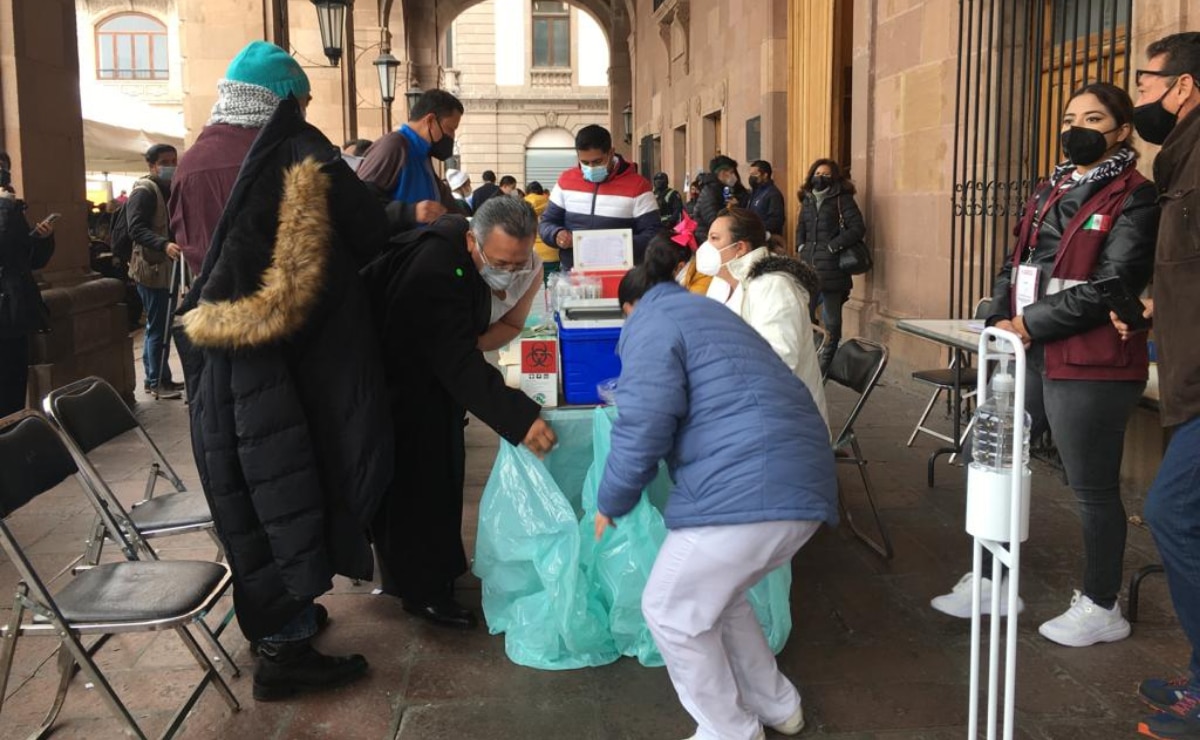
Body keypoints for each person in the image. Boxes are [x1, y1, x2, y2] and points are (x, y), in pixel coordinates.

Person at [178, 43, 392, 700]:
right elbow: (364, 231)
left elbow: (194, 257)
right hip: (295, 352)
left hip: (220, 352)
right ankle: (284, 649)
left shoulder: (193, 161)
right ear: (286, 100)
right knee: (298, 485)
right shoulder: (295, 151)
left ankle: (287, 617)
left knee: (253, 495)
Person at [929, 83, 1160, 649]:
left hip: (1092, 360)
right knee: (999, 467)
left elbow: (1115, 282)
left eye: (1094, 118)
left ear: (1122, 130)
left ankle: (1101, 604)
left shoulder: (1137, 195)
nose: (1077, 127)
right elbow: (1021, 260)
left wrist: (1029, 323)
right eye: (1069, 116)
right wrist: (995, 310)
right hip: (1025, 351)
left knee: (1091, 487)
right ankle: (992, 581)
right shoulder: (1050, 187)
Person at [595, 239, 837, 740]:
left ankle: (730, 730)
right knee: (719, 597)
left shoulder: (651, 324)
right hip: (800, 478)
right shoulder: (706, 312)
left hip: (751, 486)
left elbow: (644, 422)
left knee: (670, 609)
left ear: (629, 308)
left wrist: (610, 500)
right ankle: (778, 705)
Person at [361, 197, 557, 630]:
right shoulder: (434, 267)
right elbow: (456, 359)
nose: (508, 271)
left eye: (518, 262)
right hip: (400, 386)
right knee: (416, 487)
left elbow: (463, 347)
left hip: (430, 382)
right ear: (473, 240)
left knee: (443, 478)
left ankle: (438, 574)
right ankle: (420, 591)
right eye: (501, 262)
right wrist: (520, 418)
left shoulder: (460, 254)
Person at [1109, 32, 1200, 740]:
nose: (1137, 97)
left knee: (1172, 514)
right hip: (1189, 374)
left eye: (1143, 83)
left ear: (1183, 87)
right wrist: (1155, 318)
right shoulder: (1183, 160)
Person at [694, 206, 829, 429]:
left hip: (780, 420)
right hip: (736, 403)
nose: (706, 246)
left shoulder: (773, 286)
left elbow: (779, 360)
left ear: (739, 248)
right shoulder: (721, 282)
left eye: (715, 239)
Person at [170, 41, 296, 278]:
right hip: (286, 304)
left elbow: (190, 241)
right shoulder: (290, 152)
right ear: (285, 101)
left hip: (215, 306)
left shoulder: (190, 162)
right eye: (304, 100)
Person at [540, 124, 659, 269]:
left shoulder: (638, 186)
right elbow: (546, 223)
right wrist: (556, 234)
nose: (590, 168)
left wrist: (617, 245)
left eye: (597, 162)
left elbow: (654, 233)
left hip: (620, 274)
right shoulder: (566, 181)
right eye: (584, 162)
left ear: (611, 153)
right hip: (573, 273)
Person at [357, 89, 463, 234]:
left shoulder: (423, 156)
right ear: (430, 121)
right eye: (450, 129)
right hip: (395, 253)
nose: (451, 136)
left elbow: (447, 203)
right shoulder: (394, 146)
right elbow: (359, 205)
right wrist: (411, 213)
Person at [796, 158, 865, 372]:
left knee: (832, 317)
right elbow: (801, 227)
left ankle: (828, 358)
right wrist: (800, 246)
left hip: (833, 268)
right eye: (817, 173)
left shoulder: (841, 199)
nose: (821, 177)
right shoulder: (807, 199)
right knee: (804, 312)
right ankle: (813, 351)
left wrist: (833, 246)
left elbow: (857, 228)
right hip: (809, 265)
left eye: (826, 174)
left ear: (833, 177)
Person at [127, 143, 183, 400]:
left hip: (166, 267)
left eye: (174, 160)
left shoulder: (168, 189)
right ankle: (156, 379)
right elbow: (135, 229)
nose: (171, 166)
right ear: (152, 165)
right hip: (151, 267)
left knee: (161, 323)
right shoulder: (145, 191)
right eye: (165, 161)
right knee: (157, 325)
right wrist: (164, 243)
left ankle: (163, 378)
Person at [0, 158, 55, 418]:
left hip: (13, 311)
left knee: (14, 380)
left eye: (4, 167)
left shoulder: (10, 208)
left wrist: (42, 238)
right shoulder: (7, 208)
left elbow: (25, 258)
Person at [694, 155, 749, 242]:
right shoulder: (711, 191)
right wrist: (732, 208)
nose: (734, 176)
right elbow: (714, 219)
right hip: (710, 238)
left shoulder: (724, 189)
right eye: (731, 172)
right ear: (723, 173)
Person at [524, 181, 559, 279]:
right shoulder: (552, 204)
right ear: (541, 192)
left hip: (531, 254)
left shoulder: (521, 205)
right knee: (551, 285)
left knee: (529, 288)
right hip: (552, 252)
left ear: (527, 192)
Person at [747, 160, 786, 245]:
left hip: (768, 240)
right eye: (750, 174)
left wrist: (758, 229)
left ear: (765, 175)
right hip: (755, 238)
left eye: (754, 174)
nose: (751, 177)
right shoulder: (754, 193)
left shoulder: (773, 194)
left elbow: (776, 220)